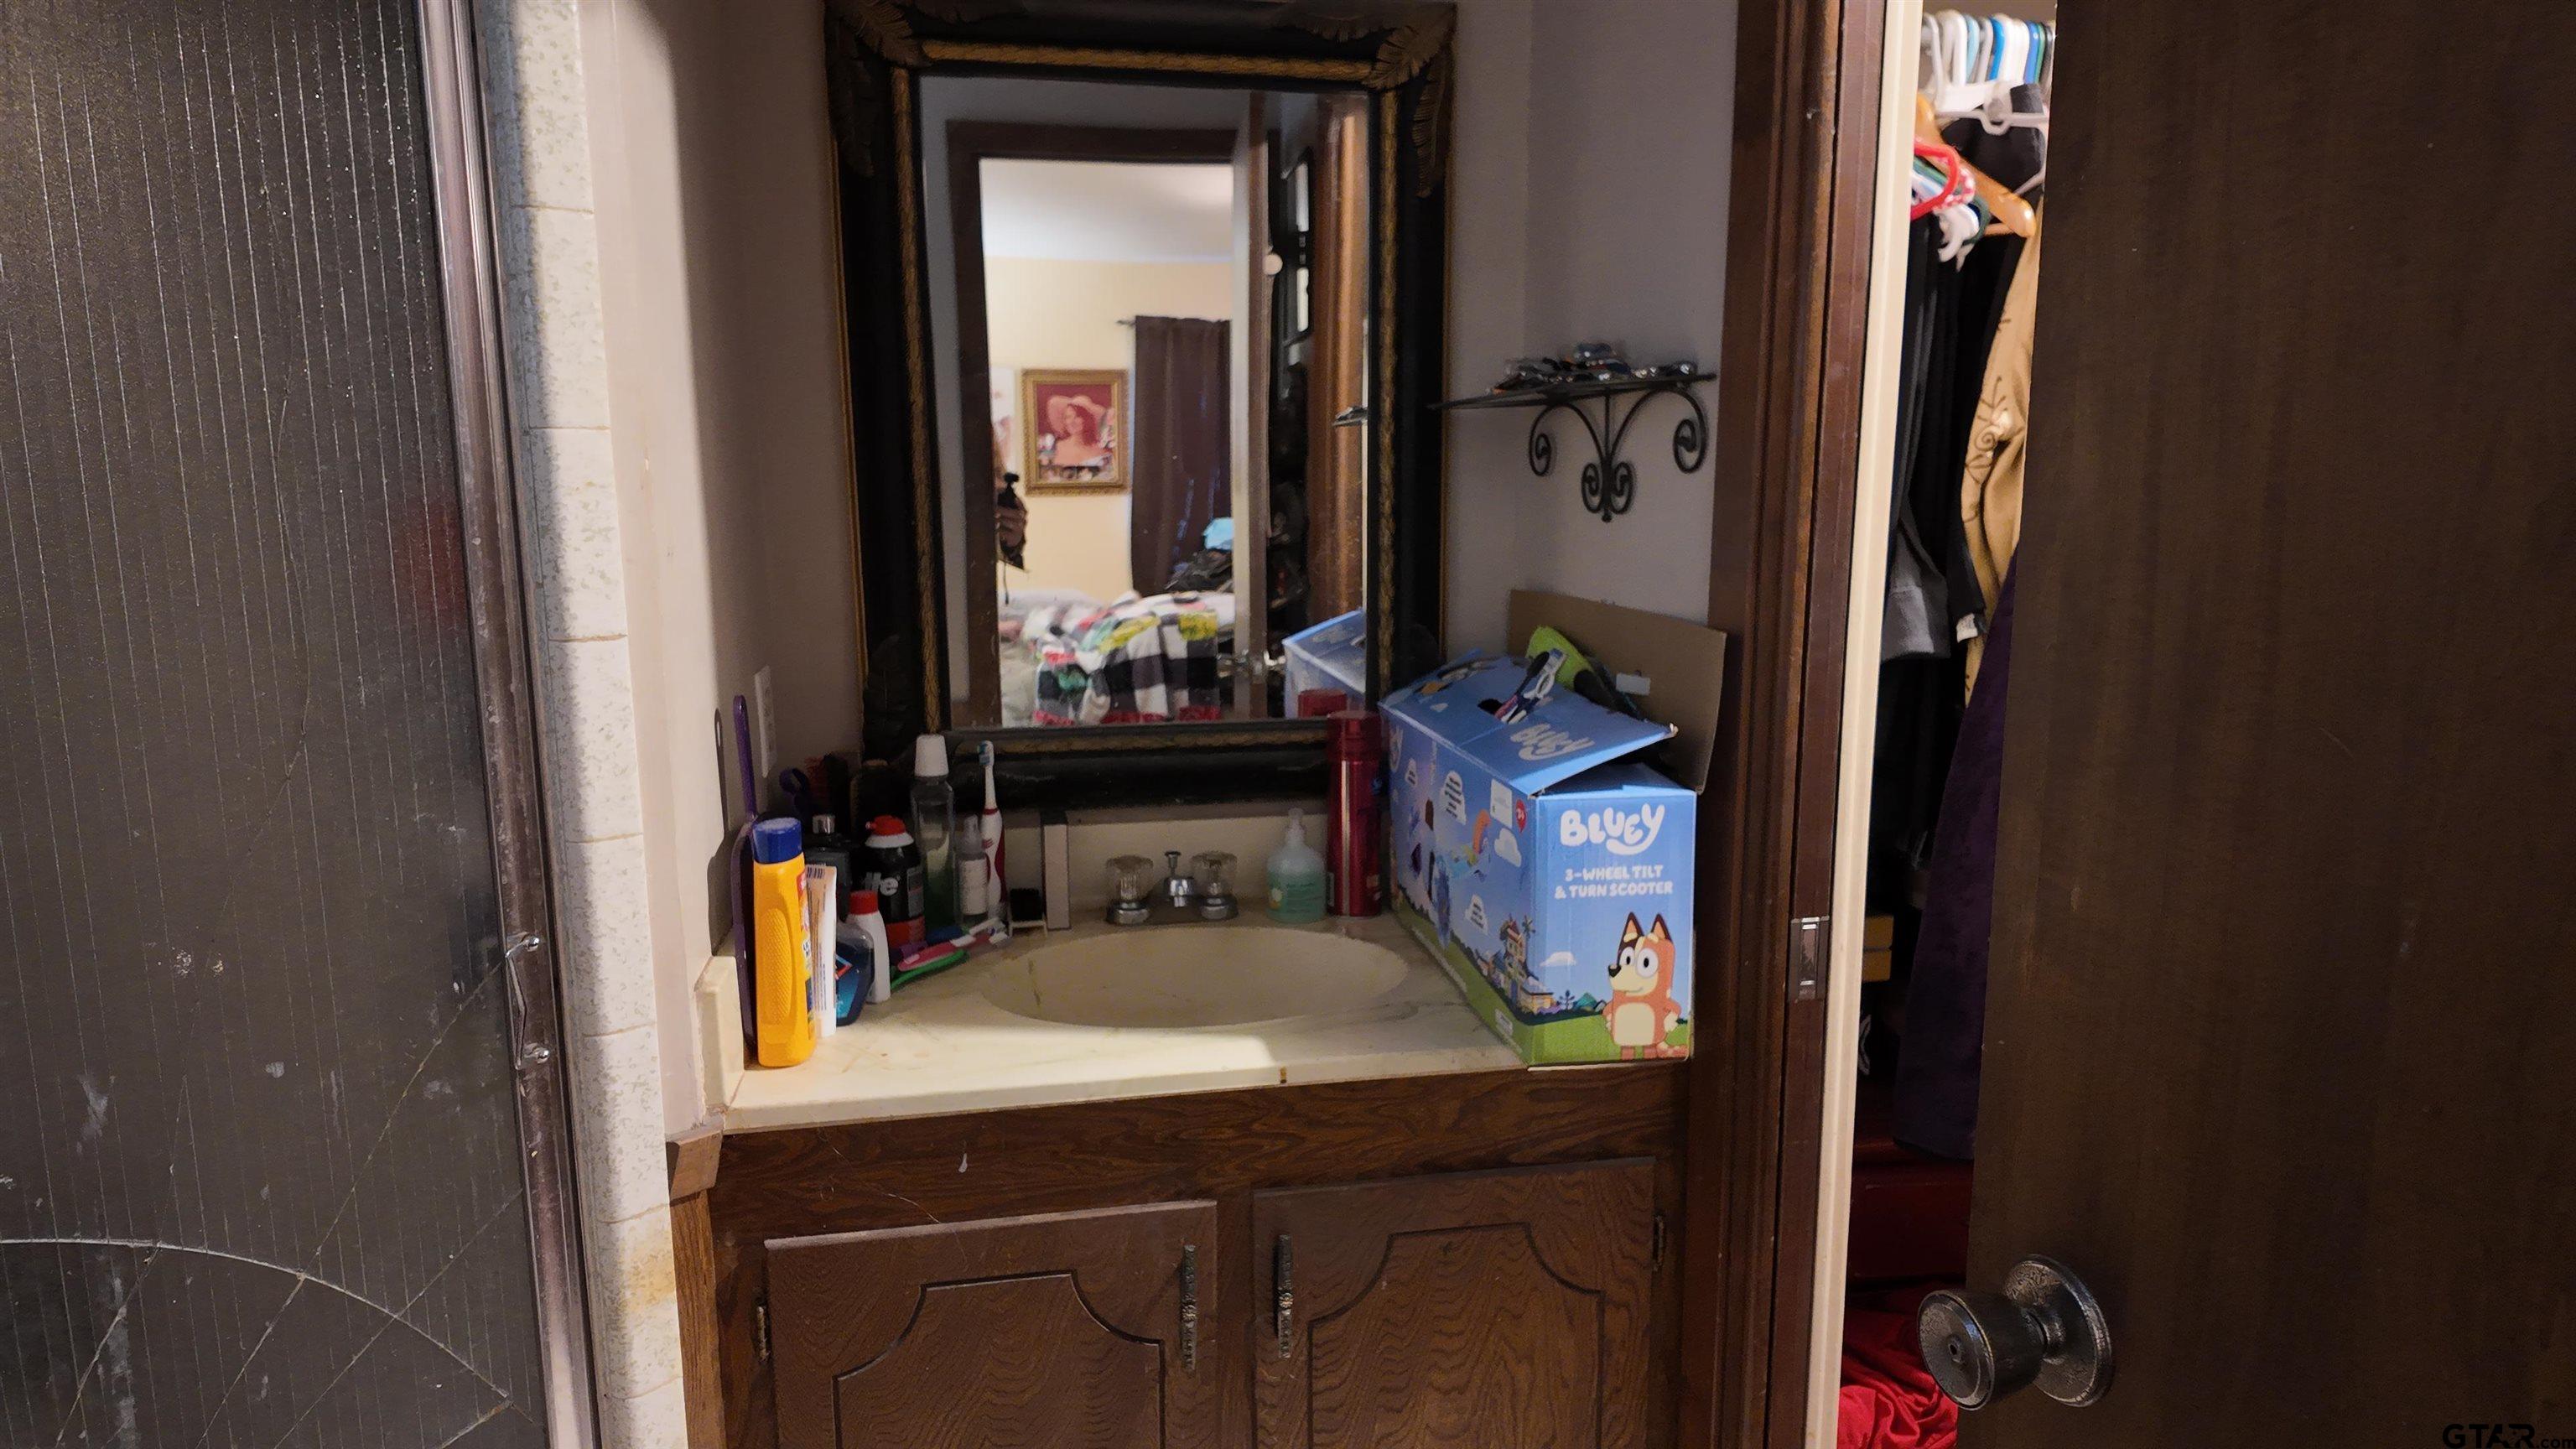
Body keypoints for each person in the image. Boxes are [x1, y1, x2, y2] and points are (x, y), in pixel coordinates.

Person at [1042, 392, 1112, 472]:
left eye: (1077, 416)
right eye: (1068, 417)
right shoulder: (1055, 448)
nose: (1071, 422)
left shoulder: (1102, 450)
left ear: (1087, 419)